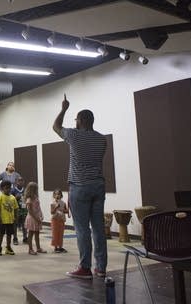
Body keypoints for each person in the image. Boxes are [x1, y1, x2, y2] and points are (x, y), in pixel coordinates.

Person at [53, 94, 107, 279]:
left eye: (76, 119)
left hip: (80, 186)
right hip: (98, 186)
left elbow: (56, 126)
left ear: (82, 120)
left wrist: (64, 108)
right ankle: (101, 268)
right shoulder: (102, 139)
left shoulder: (74, 135)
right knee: (98, 229)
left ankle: (85, 267)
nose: (74, 122)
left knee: (82, 229)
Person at [0, 180, 18, 256]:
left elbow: (15, 208)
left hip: (10, 220)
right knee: (1, 234)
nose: (8, 190)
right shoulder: (0, 197)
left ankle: (8, 247)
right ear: (2, 188)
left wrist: (15, 217)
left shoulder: (13, 198)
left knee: (9, 234)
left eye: (9, 188)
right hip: (2, 220)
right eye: (6, 188)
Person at [24, 182, 45, 255]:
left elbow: (38, 207)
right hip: (32, 218)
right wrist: (36, 218)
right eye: (35, 189)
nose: (37, 190)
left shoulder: (36, 197)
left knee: (37, 233)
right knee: (31, 234)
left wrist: (41, 215)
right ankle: (30, 249)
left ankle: (38, 248)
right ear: (31, 190)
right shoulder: (29, 199)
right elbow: (30, 211)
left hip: (37, 217)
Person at [51, 189, 69, 253]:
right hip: (55, 220)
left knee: (61, 234)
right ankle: (56, 247)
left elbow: (66, 211)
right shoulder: (52, 203)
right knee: (55, 234)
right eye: (55, 194)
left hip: (61, 220)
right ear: (53, 195)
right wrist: (56, 207)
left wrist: (63, 210)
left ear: (61, 195)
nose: (57, 195)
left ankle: (60, 247)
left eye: (58, 194)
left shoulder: (63, 203)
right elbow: (52, 212)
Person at [13, 176, 27, 245]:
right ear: (16, 182)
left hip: (24, 209)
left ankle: (25, 238)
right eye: (19, 180)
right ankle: (15, 238)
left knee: (24, 224)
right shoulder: (13, 190)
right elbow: (10, 199)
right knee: (15, 224)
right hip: (16, 210)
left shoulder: (25, 190)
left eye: (22, 180)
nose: (20, 182)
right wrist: (16, 197)